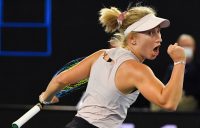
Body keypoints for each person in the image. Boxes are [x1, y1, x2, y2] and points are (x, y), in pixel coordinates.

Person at [39, 5, 186, 128]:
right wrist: (179, 62)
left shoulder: (101, 55)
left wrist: (47, 97)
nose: (159, 38)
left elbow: (60, 80)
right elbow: (168, 102)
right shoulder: (137, 70)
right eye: (150, 33)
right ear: (132, 39)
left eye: (158, 31)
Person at [151, 34, 200, 111]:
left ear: (194, 47)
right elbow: (165, 84)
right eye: (183, 45)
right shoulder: (171, 66)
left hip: (188, 97)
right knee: (155, 102)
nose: (186, 48)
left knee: (173, 104)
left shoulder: (197, 66)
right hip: (171, 94)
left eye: (188, 46)